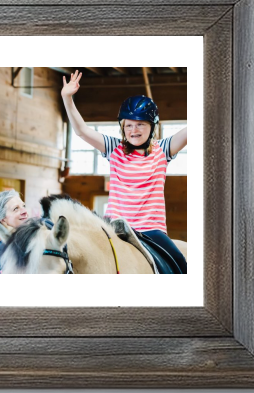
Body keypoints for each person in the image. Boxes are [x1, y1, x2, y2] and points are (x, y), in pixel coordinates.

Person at [61, 70, 187, 273]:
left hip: (151, 231)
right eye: (128, 125)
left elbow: (193, 129)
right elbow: (81, 131)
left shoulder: (163, 150)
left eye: (140, 124)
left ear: (151, 127)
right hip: (114, 228)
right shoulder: (114, 148)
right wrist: (67, 97)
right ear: (122, 127)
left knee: (181, 265)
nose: (134, 130)